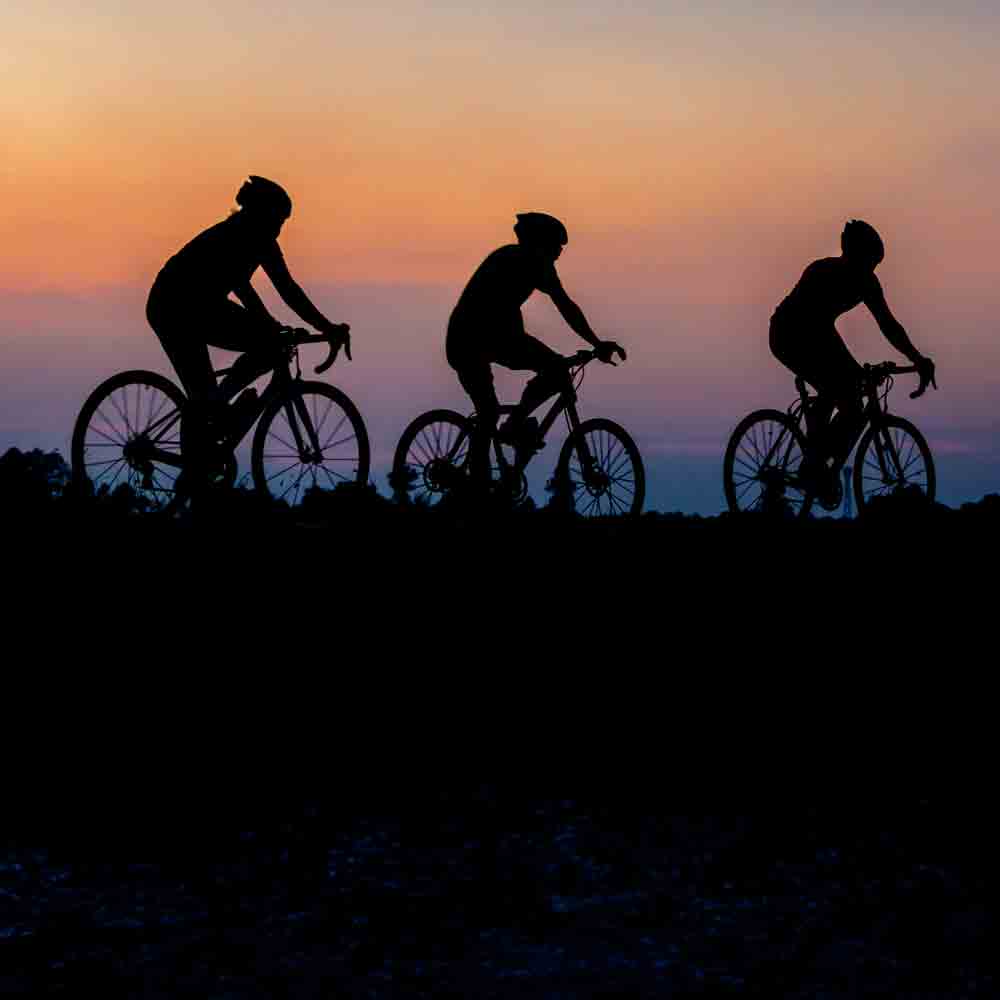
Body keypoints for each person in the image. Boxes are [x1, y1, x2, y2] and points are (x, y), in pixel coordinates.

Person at [146, 176, 350, 432]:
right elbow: (243, 289)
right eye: (277, 220)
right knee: (262, 351)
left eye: (283, 223)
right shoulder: (234, 234)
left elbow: (289, 290)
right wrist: (273, 327)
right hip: (175, 308)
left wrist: (326, 327)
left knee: (263, 351)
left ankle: (215, 414)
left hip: (199, 306)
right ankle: (214, 415)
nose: (279, 229)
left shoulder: (262, 241)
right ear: (260, 213)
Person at [446, 212, 624, 489]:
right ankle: (478, 482)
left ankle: (511, 430)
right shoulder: (517, 260)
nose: (559, 255)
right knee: (490, 411)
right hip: (469, 340)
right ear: (539, 244)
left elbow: (565, 306)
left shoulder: (532, 262)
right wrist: (596, 344)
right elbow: (565, 307)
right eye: (556, 247)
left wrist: (596, 343)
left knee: (550, 371)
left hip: (497, 338)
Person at [769, 220, 936, 497]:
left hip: (820, 333)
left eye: (874, 265)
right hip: (789, 333)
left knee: (848, 397)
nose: (870, 271)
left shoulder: (867, 282)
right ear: (851, 254)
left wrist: (917, 359)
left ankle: (819, 460)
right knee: (840, 392)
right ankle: (814, 463)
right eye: (868, 262)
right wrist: (849, 376)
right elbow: (815, 334)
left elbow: (888, 324)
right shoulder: (821, 272)